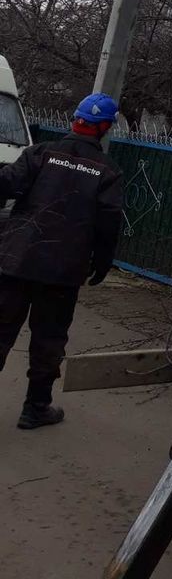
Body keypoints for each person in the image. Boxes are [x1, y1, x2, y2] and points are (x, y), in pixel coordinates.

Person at [0, 92, 123, 430]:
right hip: (62, 269)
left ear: (75, 119)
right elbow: (109, 222)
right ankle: (36, 408)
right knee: (49, 339)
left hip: (16, 259)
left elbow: (5, 184)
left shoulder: (40, 153)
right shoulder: (107, 171)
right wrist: (102, 262)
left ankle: (37, 408)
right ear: (104, 128)